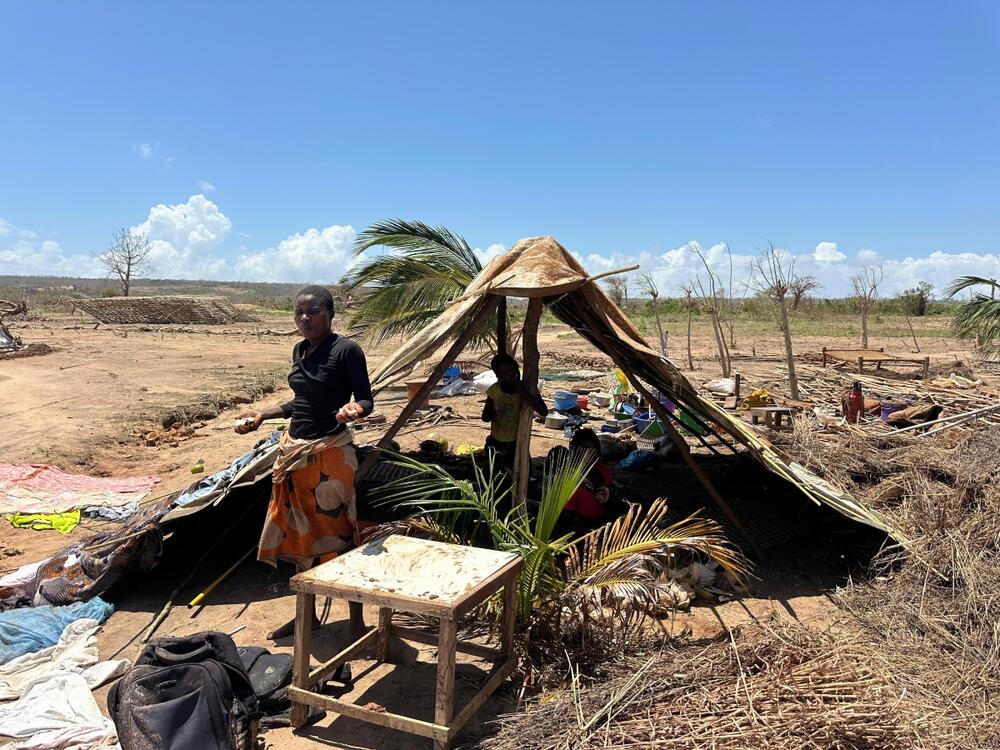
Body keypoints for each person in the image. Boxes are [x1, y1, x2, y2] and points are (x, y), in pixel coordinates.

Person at [235, 285, 373, 641]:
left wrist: (354, 409)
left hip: (329, 455)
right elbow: (303, 401)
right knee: (297, 536)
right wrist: (263, 414)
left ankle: (356, 620)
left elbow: (366, 399)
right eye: (299, 312)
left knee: (339, 535)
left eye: (312, 311)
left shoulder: (346, 351)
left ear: (329, 314)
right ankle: (306, 617)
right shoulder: (301, 350)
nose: (304, 318)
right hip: (295, 452)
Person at [481, 352, 547, 469]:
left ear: (517, 367)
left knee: (520, 473)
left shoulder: (528, 388)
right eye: (505, 372)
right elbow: (485, 416)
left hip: (518, 442)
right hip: (497, 442)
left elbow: (543, 411)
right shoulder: (495, 390)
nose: (511, 373)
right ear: (498, 376)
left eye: (512, 368)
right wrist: (491, 415)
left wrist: (523, 393)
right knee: (496, 476)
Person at [550, 429, 613, 522]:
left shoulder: (601, 469)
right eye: (584, 450)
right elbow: (567, 514)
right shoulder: (570, 477)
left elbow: (610, 487)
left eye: (592, 449)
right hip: (580, 524)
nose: (588, 454)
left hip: (603, 520)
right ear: (575, 451)